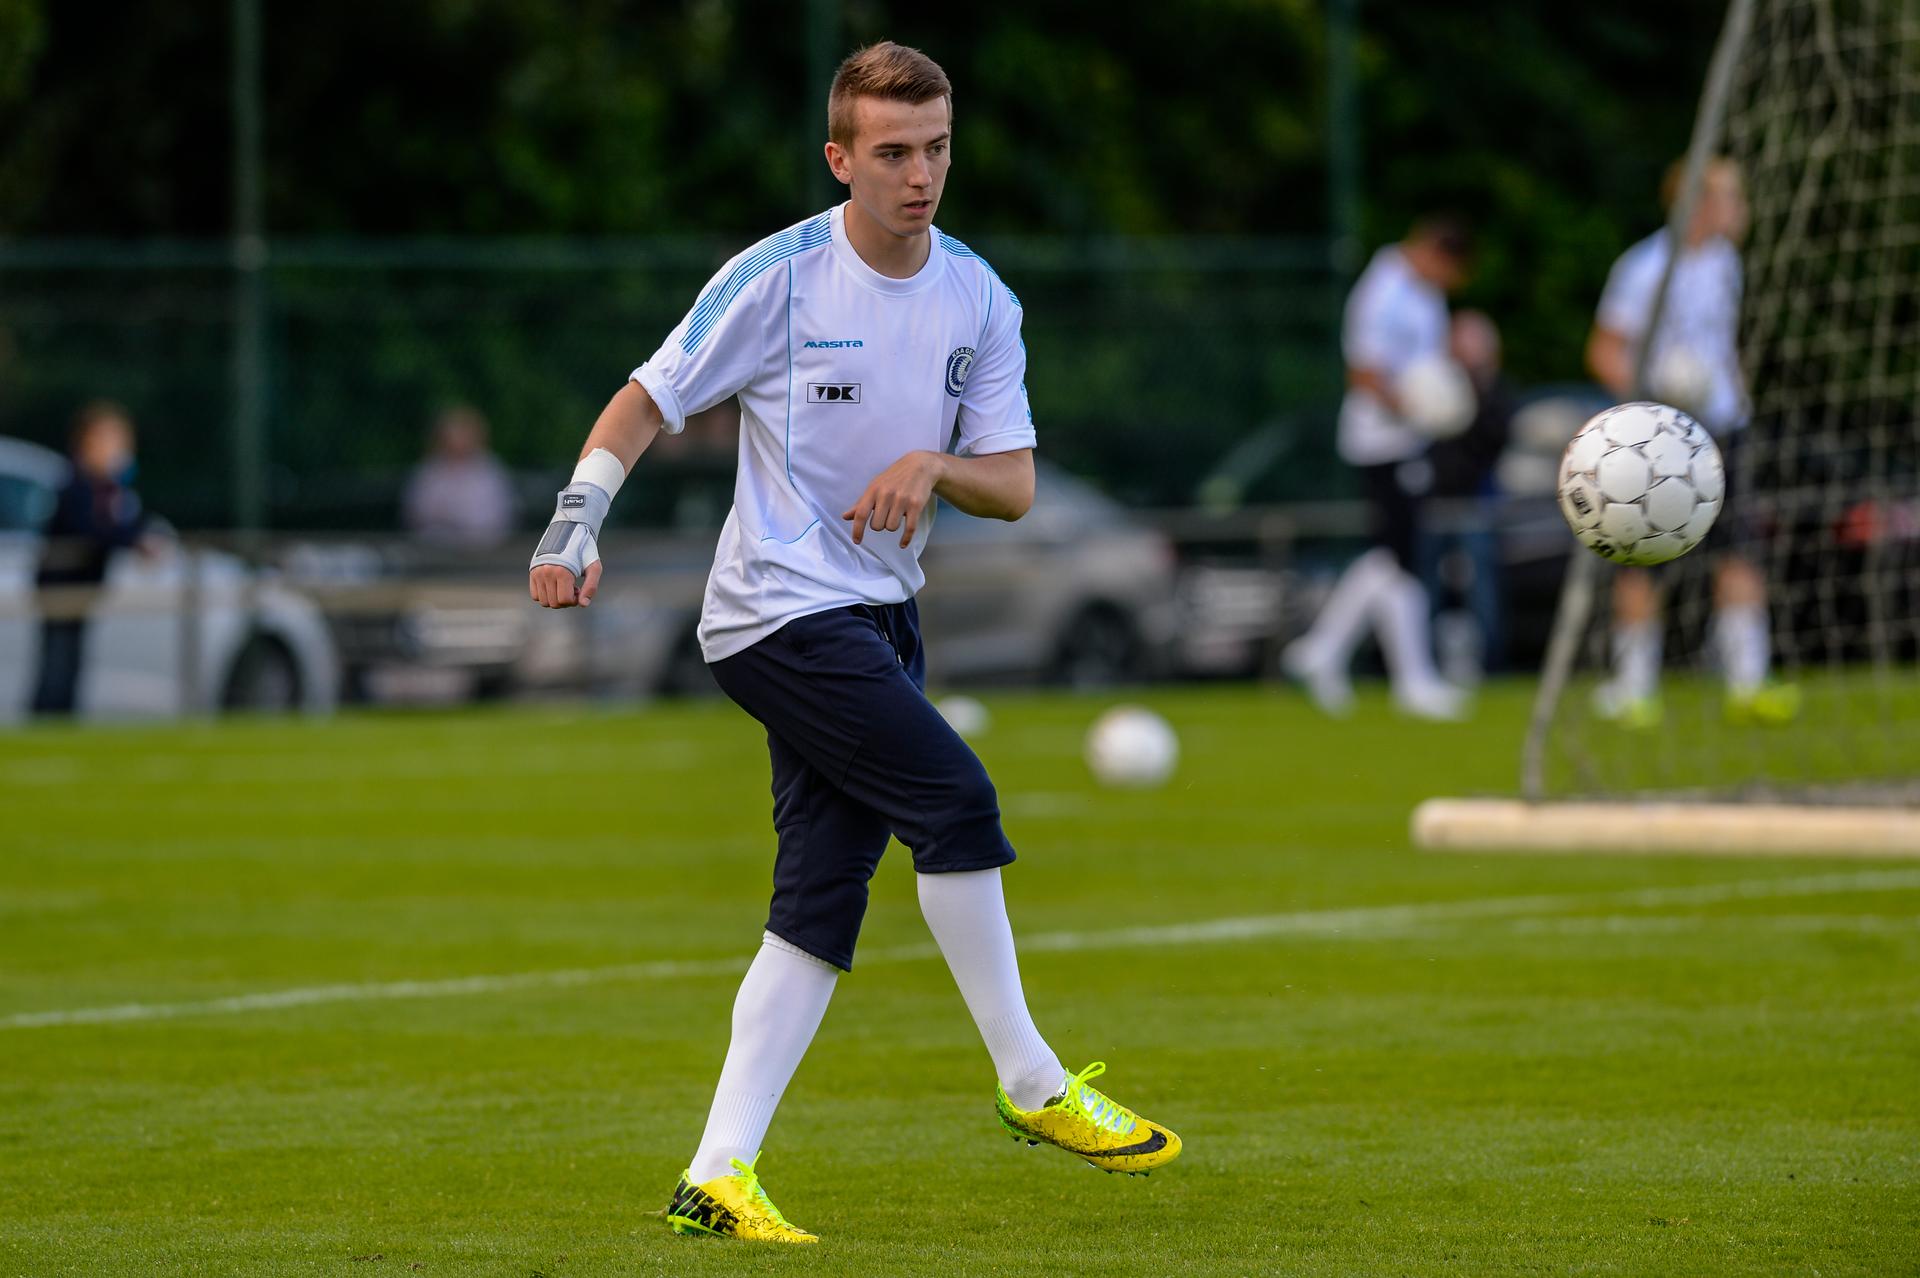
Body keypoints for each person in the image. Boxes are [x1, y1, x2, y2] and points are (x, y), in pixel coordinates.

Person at [527, 42, 1180, 1245]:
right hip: (771, 613)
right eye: (892, 152)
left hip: (882, 612)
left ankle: (717, 1175)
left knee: (818, 903)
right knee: (956, 800)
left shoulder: (981, 297)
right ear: (841, 160)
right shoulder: (776, 278)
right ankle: (1032, 1081)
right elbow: (646, 398)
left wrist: (936, 465)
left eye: (935, 148)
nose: (920, 173)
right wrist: (576, 523)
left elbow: (1017, 486)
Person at [1586, 157, 1797, 726]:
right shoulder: (1644, 267)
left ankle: (1748, 682)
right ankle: (1634, 690)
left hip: (1727, 428)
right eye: (1730, 195)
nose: (1739, 206)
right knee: (1643, 555)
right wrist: (1654, 395)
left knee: (1740, 549)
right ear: (1698, 201)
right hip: (1663, 436)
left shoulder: (1727, 263)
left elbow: (1724, 349)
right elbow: (1604, 351)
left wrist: (1735, 396)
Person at [1282, 215, 1475, 719]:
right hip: (1379, 441)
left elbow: (1427, 370)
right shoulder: (1382, 291)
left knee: (1394, 557)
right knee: (1399, 558)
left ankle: (1323, 652)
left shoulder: (1427, 296)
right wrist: (1417, 409)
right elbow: (1365, 374)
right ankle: (1407, 678)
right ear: (1435, 252)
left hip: (1409, 440)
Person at [33, 401, 160, 715]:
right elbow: (93, 530)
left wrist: (142, 537)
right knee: (57, 667)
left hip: (85, 589)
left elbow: (128, 521)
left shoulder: (111, 489)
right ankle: (48, 721)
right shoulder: (75, 485)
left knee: (71, 664)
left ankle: (62, 720)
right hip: (60, 590)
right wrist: (133, 541)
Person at [1422, 309, 1517, 679]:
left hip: (1476, 502)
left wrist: (1470, 399)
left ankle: (1492, 663)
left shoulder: (1495, 392)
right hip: (1434, 502)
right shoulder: (1437, 386)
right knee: (1425, 586)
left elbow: (1492, 442)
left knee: (1484, 587)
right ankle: (1423, 662)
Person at [401, 405, 516, 546]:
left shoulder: (490, 473)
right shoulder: (429, 472)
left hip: (483, 553)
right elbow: (417, 513)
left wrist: (454, 517)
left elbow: (497, 518)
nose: (458, 441)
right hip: (433, 550)